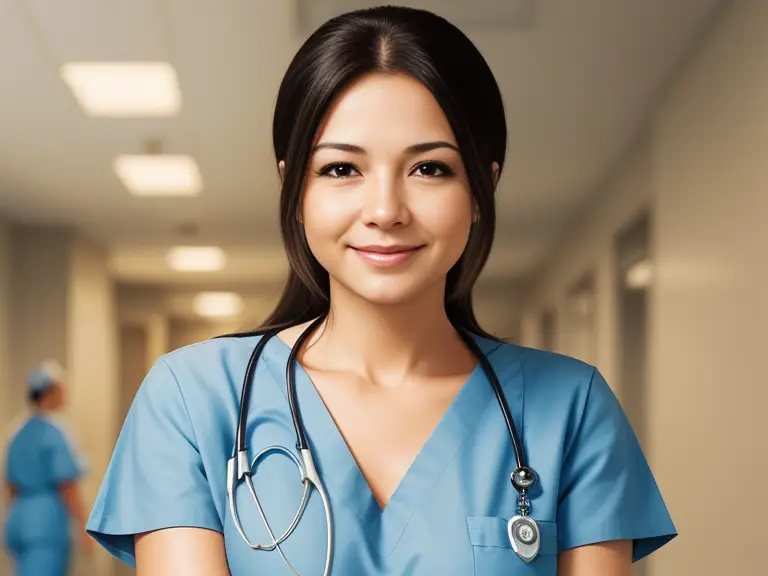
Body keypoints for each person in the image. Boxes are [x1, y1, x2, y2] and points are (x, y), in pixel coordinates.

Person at [86, 6, 677, 575]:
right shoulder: (193, 399)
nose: (385, 210)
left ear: (480, 191)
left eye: (430, 168)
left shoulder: (571, 409)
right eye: (342, 169)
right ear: (294, 188)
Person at [4, 360, 92, 576]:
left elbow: (11, 486)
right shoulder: (55, 432)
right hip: (45, 525)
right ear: (51, 392)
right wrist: (85, 528)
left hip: (20, 521)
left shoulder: (16, 430)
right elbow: (67, 485)